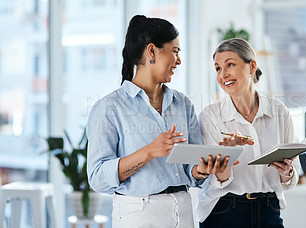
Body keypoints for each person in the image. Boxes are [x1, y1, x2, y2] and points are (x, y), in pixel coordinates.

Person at [86, 15, 228, 228]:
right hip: (139, 214)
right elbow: (97, 178)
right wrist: (148, 152)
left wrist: (202, 170)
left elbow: (191, 169)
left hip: (184, 210)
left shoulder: (183, 104)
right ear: (152, 51)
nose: (179, 61)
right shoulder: (109, 108)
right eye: (175, 51)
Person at [196, 38, 301, 228]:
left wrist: (287, 171)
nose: (223, 74)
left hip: (269, 210)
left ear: (251, 66)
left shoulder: (279, 111)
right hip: (225, 210)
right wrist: (224, 165)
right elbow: (211, 181)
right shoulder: (210, 116)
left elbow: (291, 179)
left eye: (230, 65)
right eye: (218, 68)